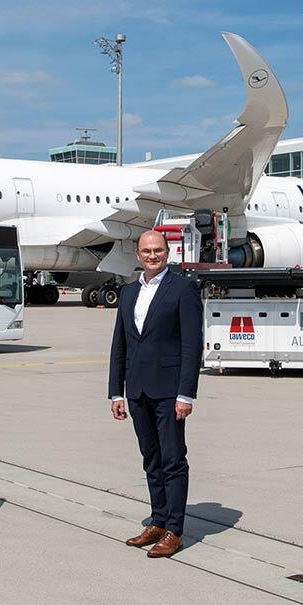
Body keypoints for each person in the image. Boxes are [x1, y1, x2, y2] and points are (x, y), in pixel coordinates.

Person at [108, 230, 203, 558]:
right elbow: (119, 343)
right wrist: (115, 392)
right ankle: (158, 520)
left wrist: (186, 394)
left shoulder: (183, 288)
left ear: (168, 252)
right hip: (137, 391)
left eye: (158, 250)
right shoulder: (129, 292)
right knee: (151, 458)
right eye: (147, 251)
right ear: (138, 255)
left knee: (173, 459)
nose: (153, 256)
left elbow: (192, 345)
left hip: (168, 392)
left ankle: (175, 530)